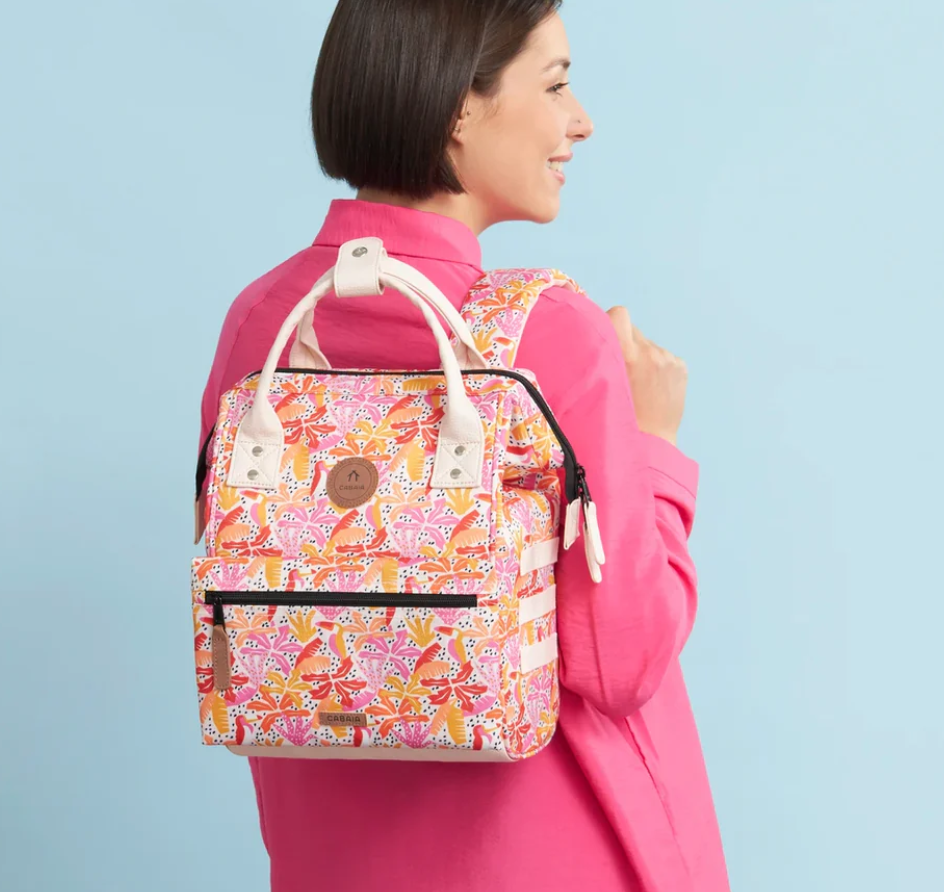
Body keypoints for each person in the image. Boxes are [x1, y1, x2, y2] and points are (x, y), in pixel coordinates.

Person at [197, 2, 729, 889]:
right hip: (552, 859)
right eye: (554, 85)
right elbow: (623, 660)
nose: (580, 121)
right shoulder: (547, 332)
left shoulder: (264, 324)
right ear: (457, 107)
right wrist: (653, 449)